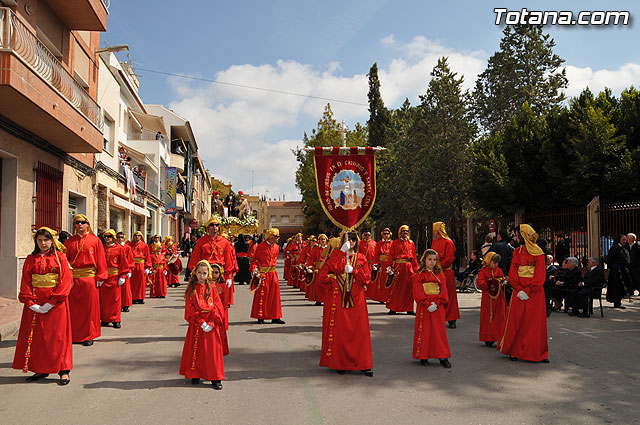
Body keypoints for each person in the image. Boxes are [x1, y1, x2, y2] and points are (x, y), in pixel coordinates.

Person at [13, 227, 73, 385]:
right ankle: (41, 368)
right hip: (35, 302)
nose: (43, 243)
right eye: (40, 240)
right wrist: (30, 303)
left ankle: (63, 370)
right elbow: (26, 280)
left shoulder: (60, 258)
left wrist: (52, 302)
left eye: (46, 240)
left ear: (52, 241)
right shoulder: (30, 259)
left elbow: (66, 281)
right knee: (38, 337)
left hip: (56, 303)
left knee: (58, 337)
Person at [319, 232, 373, 376]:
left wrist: (354, 271)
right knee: (341, 330)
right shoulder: (335, 255)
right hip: (340, 298)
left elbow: (367, 278)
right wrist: (342, 253)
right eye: (348, 239)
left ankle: (363, 364)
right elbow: (328, 273)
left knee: (359, 330)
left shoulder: (361, 257)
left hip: (357, 298)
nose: (352, 242)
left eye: (354, 239)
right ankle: (340, 362)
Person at [498, 224, 549, 363]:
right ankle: (515, 351)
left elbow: (540, 275)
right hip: (519, 291)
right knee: (517, 322)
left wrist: (527, 290)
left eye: (517, 235)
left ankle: (538, 352)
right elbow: (513, 271)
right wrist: (518, 288)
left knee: (535, 323)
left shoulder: (539, 253)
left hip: (534, 292)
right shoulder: (516, 252)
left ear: (524, 236)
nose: (515, 237)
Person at [179, 260, 225, 390]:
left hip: (211, 322)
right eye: (199, 273)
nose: (201, 276)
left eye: (204, 273)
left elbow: (218, 306)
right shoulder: (191, 289)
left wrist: (211, 322)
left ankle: (215, 377)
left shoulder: (213, 288)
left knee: (212, 351)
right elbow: (189, 308)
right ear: (195, 273)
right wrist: (200, 322)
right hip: (197, 323)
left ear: (208, 274)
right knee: (196, 349)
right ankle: (195, 374)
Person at [64, 214, 108, 346]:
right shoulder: (69, 242)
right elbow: (64, 262)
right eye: (77, 222)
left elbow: (101, 259)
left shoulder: (95, 241)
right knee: (73, 310)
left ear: (87, 224)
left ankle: (88, 335)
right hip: (73, 280)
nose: (80, 225)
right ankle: (73, 335)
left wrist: (101, 276)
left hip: (89, 279)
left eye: (83, 222)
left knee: (89, 309)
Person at [412, 249, 451, 368]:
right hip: (425, 307)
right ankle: (423, 356)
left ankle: (443, 357)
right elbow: (417, 291)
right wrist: (426, 304)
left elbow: (444, 291)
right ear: (424, 260)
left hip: (437, 306)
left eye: (434, 260)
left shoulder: (440, 274)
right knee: (424, 330)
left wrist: (438, 302)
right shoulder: (419, 275)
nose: (432, 262)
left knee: (439, 332)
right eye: (430, 259)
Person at [249, 228, 285, 324]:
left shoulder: (277, 247)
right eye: (277, 236)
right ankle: (260, 317)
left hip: (273, 274)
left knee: (274, 296)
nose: (278, 238)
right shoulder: (260, 247)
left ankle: (275, 317)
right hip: (263, 274)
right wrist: (255, 270)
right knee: (262, 295)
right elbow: (254, 261)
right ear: (271, 237)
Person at [431, 222, 459, 328]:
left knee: (449, 295)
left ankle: (452, 319)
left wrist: (437, 267)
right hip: (435, 272)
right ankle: (438, 316)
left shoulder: (449, 242)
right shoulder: (434, 242)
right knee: (435, 295)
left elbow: (449, 259)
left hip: (446, 272)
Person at [386, 225, 418, 315]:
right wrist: (389, 267)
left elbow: (414, 257)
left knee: (409, 289)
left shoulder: (411, 243)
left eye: (407, 231)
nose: (405, 233)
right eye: (403, 231)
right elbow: (391, 256)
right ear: (400, 232)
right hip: (398, 267)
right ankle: (393, 308)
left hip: (408, 268)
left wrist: (416, 269)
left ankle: (409, 309)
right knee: (396, 288)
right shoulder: (395, 243)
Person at [476, 252, 506, 347]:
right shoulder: (483, 271)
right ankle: (488, 338)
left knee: (499, 316)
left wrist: (502, 281)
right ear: (489, 261)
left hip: (498, 297)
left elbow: (502, 281)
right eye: (494, 262)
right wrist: (491, 283)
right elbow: (480, 283)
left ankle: (499, 336)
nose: (496, 265)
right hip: (488, 298)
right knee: (488, 316)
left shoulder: (499, 270)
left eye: (497, 263)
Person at [100, 230, 129, 328]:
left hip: (115, 277)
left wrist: (123, 276)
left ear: (113, 237)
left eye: (109, 236)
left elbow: (123, 263)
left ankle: (116, 319)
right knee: (104, 300)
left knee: (115, 299)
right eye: (105, 236)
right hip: (103, 277)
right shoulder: (101, 248)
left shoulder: (119, 249)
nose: (107, 238)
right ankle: (105, 319)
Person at [606, 234, 632, 308]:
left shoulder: (624, 248)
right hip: (616, 271)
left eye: (625, 240)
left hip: (623, 270)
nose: (625, 241)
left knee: (622, 286)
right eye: (623, 240)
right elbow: (609, 259)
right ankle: (616, 302)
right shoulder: (614, 248)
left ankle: (619, 300)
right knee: (616, 287)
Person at [210, 263, 230, 356]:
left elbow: (225, 302)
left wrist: (219, 312)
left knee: (219, 333)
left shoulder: (223, 285)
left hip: (219, 313)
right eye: (212, 272)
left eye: (216, 272)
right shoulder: (205, 285)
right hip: (208, 312)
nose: (214, 275)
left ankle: (220, 350)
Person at [370, 227, 393, 303]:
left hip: (390, 264)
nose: (386, 235)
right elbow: (376, 255)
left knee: (390, 281)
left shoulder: (393, 243)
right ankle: (382, 298)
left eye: (387, 234)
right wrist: (374, 264)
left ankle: (389, 298)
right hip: (382, 265)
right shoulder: (379, 243)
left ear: (390, 234)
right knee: (382, 282)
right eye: (384, 234)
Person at [306, 234, 330, 305]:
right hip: (318, 269)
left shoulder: (328, 249)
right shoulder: (316, 249)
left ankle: (326, 300)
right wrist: (309, 266)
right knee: (318, 285)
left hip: (326, 269)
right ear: (319, 240)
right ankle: (318, 300)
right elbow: (311, 259)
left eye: (324, 239)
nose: (323, 241)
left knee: (325, 285)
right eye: (321, 239)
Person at [129, 231, 152, 304]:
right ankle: (133, 297)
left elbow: (147, 256)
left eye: (138, 235)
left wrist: (147, 267)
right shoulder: (130, 245)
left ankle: (140, 297)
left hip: (141, 265)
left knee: (141, 283)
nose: (137, 237)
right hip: (132, 265)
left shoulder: (144, 245)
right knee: (132, 283)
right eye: (135, 235)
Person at [116, 232, 134, 313]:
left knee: (126, 289)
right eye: (118, 237)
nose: (120, 239)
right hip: (117, 269)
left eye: (121, 237)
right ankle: (118, 305)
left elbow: (130, 259)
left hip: (125, 269)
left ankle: (126, 304)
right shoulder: (115, 247)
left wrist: (129, 270)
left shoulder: (127, 247)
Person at [358, 230, 377, 299]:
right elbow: (358, 253)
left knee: (372, 278)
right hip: (363, 264)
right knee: (364, 277)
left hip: (372, 263)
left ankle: (371, 294)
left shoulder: (374, 243)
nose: (367, 236)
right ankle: (364, 293)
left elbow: (376, 254)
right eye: (365, 235)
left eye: (368, 235)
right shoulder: (360, 243)